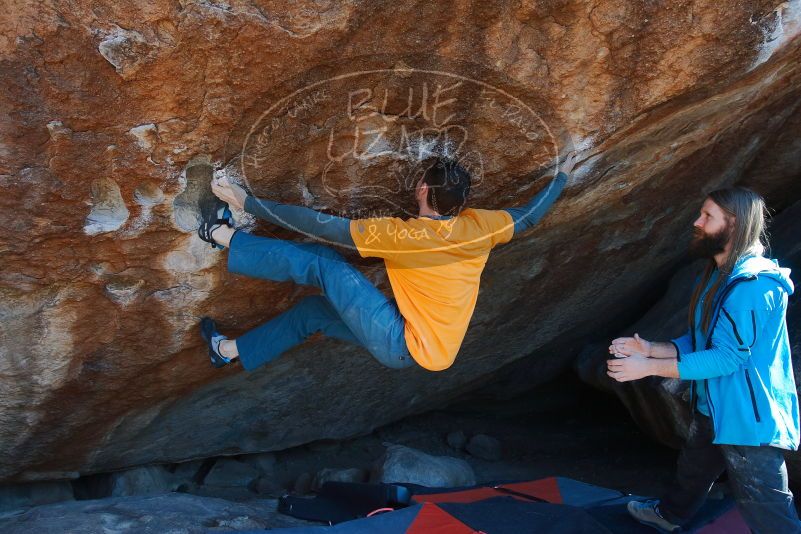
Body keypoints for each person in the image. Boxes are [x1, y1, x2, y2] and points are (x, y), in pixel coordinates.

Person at [196, 152, 575, 373]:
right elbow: (528, 216)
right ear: (463, 203)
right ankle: (227, 351)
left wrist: (247, 203)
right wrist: (560, 179)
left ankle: (220, 234)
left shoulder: (404, 237)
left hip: (401, 341)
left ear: (422, 189)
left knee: (326, 264)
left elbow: (318, 225)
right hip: (418, 342)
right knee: (313, 312)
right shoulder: (481, 227)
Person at [607, 187, 800, 533]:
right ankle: (669, 516)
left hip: (747, 419)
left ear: (735, 224)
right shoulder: (720, 274)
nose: (696, 222)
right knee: (694, 468)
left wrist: (648, 368)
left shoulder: (752, 286)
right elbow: (703, 341)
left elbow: (726, 358)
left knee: (767, 505)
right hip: (715, 405)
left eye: (707, 216)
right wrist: (650, 349)